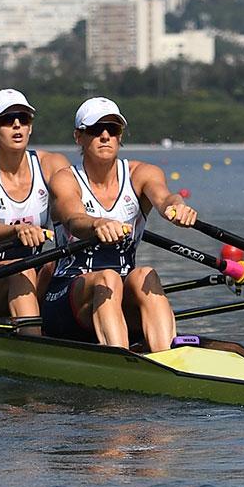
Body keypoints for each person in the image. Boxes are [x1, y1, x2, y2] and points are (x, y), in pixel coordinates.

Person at [42, 96, 198, 351]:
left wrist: (176, 206)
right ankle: (122, 361)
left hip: (122, 295)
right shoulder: (65, 179)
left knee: (145, 274)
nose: (105, 136)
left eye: (112, 129)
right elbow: (73, 219)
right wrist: (97, 225)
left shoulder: (142, 173)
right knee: (108, 278)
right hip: (67, 298)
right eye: (95, 129)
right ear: (78, 137)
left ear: (120, 136)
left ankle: (167, 358)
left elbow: (164, 197)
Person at [0, 89, 71, 322]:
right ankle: (33, 344)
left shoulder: (52, 164)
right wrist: (18, 230)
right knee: (20, 268)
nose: (17, 125)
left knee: (60, 263)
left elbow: (73, 205)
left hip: (34, 269)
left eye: (24, 118)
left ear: (30, 127)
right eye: (8, 120)